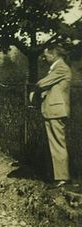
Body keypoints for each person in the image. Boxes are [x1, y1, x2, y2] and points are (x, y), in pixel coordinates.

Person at [34, 46, 73, 187]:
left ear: (54, 55)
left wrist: (38, 89)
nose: (44, 58)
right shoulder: (56, 68)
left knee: (57, 144)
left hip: (56, 111)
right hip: (52, 110)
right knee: (54, 144)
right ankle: (57, 176)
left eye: (46, 55)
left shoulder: (61, 68)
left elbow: (41, 83)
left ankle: (62, 177)